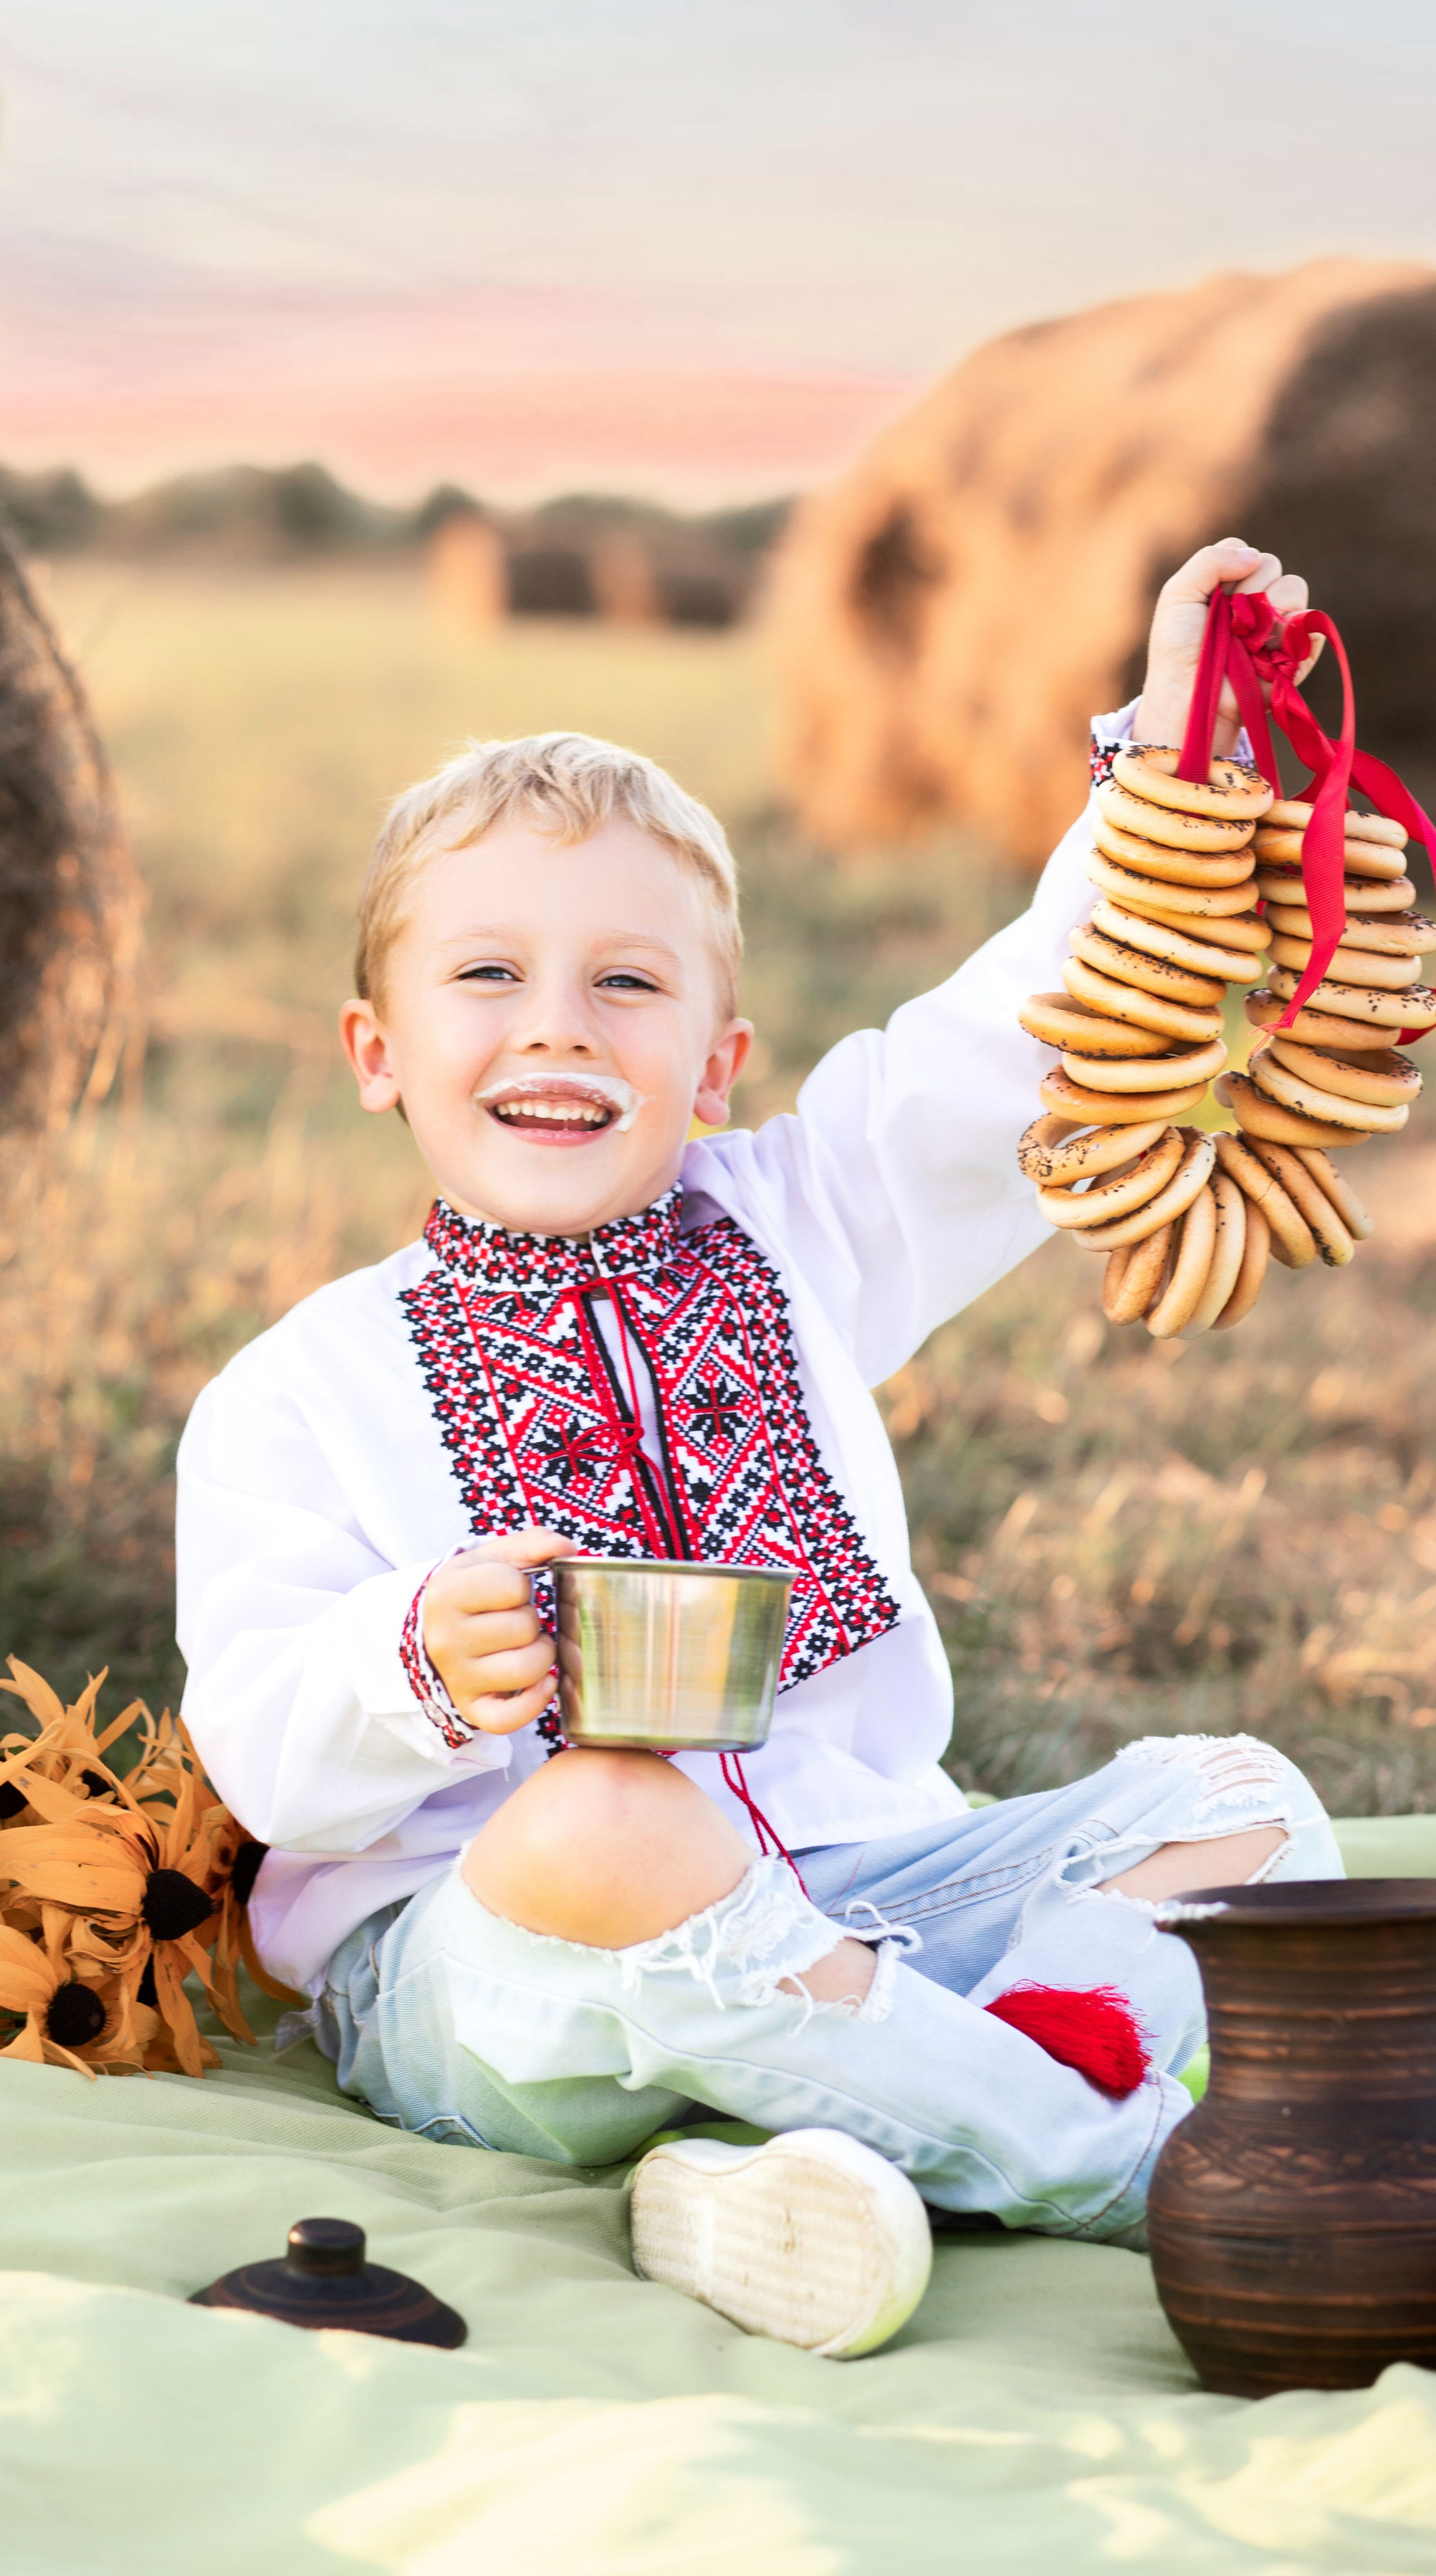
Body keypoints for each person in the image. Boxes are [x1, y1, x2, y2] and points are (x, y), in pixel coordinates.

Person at [177, 537, 1341, 2357]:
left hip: (862, 1893)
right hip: (498, 1971)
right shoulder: (296, 1390)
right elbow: (265, 1756)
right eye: (487, 972)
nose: (556, 1018)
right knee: (603, 1810)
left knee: (1237, 1804)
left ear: (716, 1063)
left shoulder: (797, 1227)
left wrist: (1168, 758)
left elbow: (1009, 1038)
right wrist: (411, 1661)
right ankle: (1128, 2163)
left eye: (626, 985)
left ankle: (790, 2166)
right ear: (375, 1050)